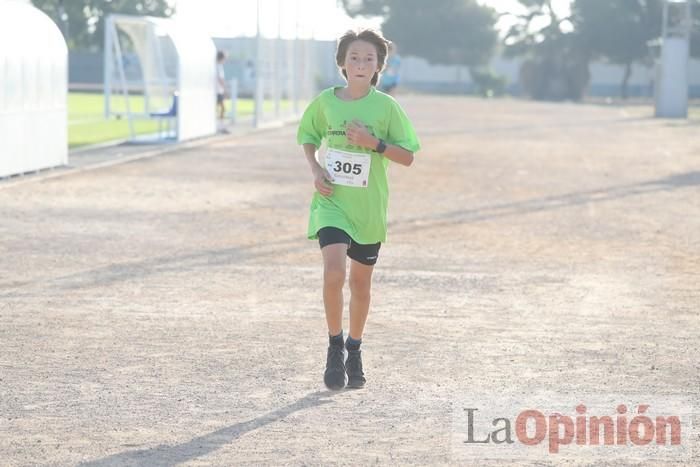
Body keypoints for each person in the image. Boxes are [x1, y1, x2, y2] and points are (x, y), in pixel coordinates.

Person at [297, 29, 420, 390]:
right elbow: (307, 137)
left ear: (379, 66)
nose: (361, 64)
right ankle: (334, 347)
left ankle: (355, 347)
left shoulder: (386, 107)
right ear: (342, 63)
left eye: (368, 58)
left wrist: (373, 143)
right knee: (334, 272)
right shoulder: (325, 102)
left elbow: (408, 156)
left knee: (360, 284)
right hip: (331, 203)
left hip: (368, 209)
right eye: (354, 57)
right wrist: (316, 170)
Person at [216, 50, 229, 133]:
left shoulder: (217, 66)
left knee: (221, 109)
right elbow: (220, 80)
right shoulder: (218, 66)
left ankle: (220, 126)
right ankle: (220, 127)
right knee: (223, 109)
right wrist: (225, 89)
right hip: (217, 91)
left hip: (218, 91)